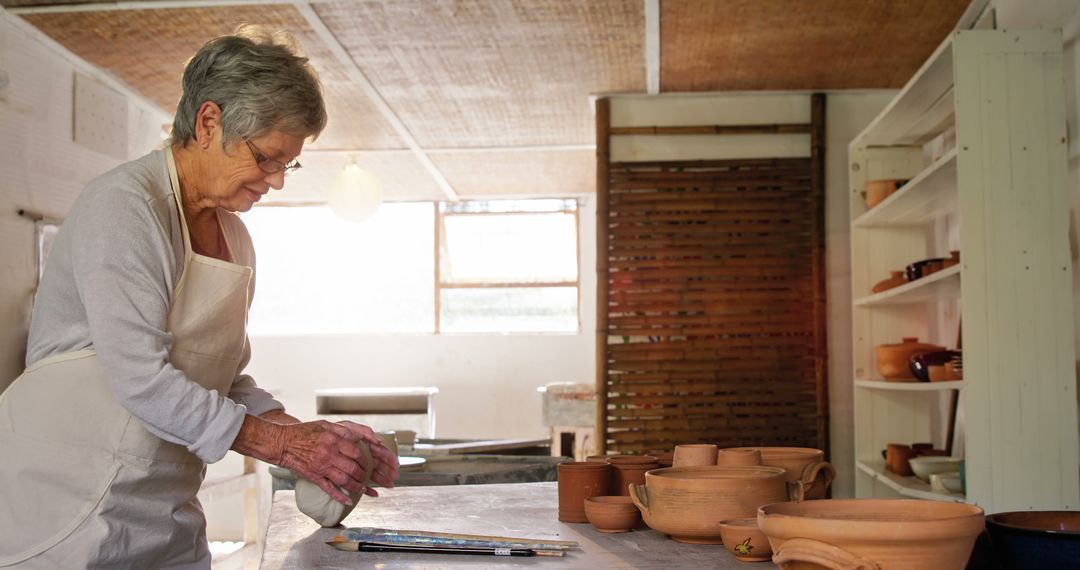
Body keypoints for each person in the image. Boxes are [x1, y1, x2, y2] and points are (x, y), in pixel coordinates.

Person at [0, 25, 398, 568]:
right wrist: (283, 447)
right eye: (267, 158)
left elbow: (225, 381)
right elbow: (141, 376)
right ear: (210, 122)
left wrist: (313, 440)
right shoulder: (123, 208)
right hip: (64, 504)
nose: (277, 180)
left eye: (288, 163)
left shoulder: (234, 237)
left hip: (161, 508)